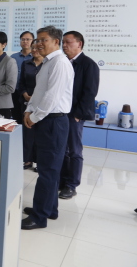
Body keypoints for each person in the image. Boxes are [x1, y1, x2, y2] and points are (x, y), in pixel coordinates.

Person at [21, 26, 74, 230]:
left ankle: (39, 216)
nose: (39, 43)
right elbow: (39, 92)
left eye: (44, 40)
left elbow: (52, 97)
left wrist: (35, 117)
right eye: (38, 40)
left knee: (48, 171)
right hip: (45, 119)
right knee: (47, 168)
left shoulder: (60, 63)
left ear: (56, 42)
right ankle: (50, 209)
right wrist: (29, 110)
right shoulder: (47, 62)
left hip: (53, 121)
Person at [59, 31, 99, 200]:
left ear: (79, 44)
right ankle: (62, 181)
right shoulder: (63, 62)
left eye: (68, 42)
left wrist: (78, 114)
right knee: (62, 149)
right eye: (63, 42)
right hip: (61, 112)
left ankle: (71, 185)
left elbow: (90, 92)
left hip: (75, 114)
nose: (64, 45)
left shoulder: (88, 64)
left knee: (74, 150)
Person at [18, 41, 44, 170]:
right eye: (32, 48)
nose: (34, 50)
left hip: (42, 104)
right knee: (28, 132)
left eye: (37, 48)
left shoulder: (47, 64)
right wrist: (24, 94)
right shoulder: (26, 63)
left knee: (41, 134)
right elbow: (21, 82)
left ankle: (40, 162)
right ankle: (27, 160)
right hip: (27, 102)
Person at [11, 31, 35, 123]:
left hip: (29, 93)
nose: (25, 41)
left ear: (33, 41)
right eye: (23, 39)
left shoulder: (36, 57)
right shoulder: (13, 57)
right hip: (15, 92)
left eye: (28, 39)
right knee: (16, 117)